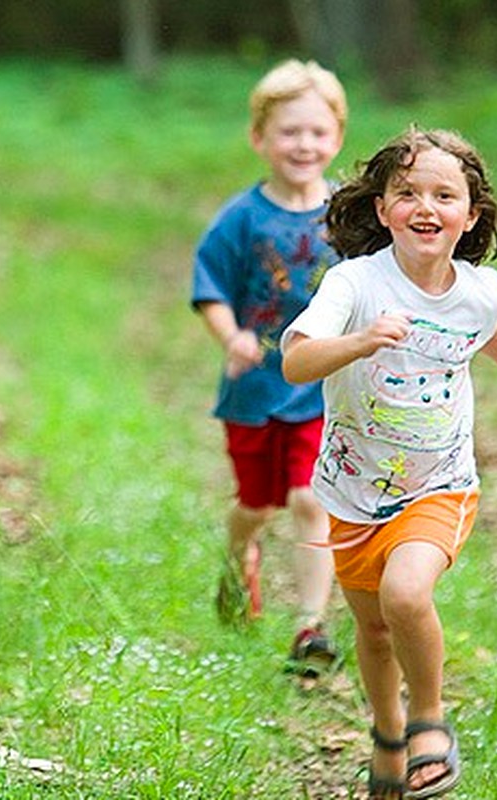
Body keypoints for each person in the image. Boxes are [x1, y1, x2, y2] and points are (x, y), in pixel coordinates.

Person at [281, 127, 497, 798]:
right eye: (407, 192)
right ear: (382, 208)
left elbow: (485, 324)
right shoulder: (353, 283)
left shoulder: (479, 289)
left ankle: (429, 719)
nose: (425, 206)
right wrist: (356, 343)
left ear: (470, 216)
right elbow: (296, 361)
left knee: (406, 594)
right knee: (374, 630)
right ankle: (387, 732)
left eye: (445, 195)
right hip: (351, 493)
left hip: (440, 485)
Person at [191, 59, 348, 675]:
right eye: (289, 132)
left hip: (323, 387)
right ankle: (239, 552)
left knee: (311, 497)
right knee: (257, 505)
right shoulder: (242, 218)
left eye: (317, 132)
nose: (304, 145)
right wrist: (231, 337)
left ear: (336, 137)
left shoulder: (349, 215)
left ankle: (310, 626)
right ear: (259, 138)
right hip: (255, 388)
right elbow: (210, 287)